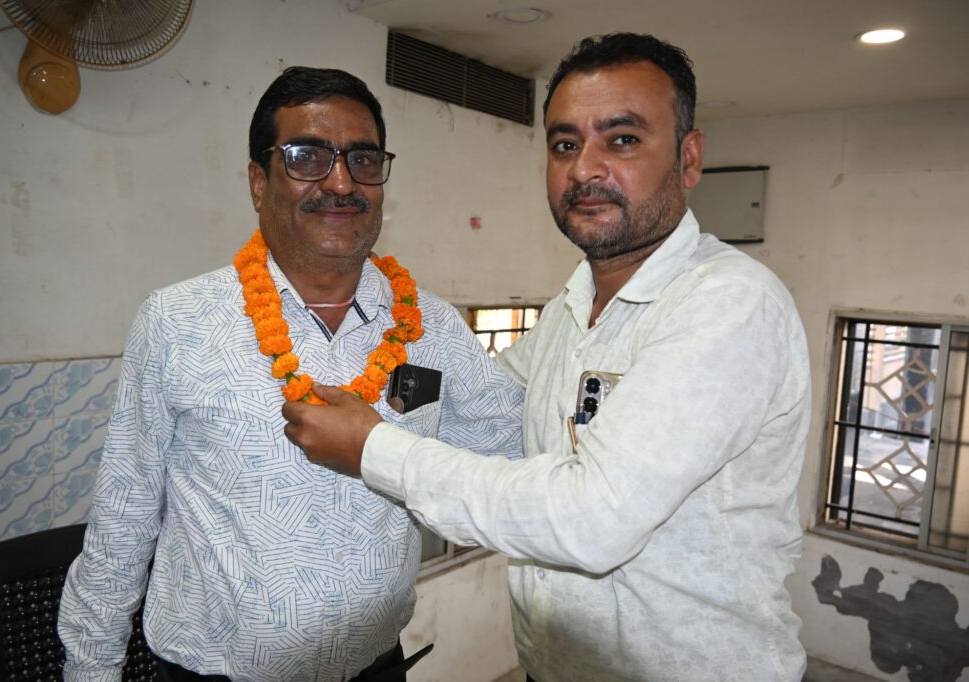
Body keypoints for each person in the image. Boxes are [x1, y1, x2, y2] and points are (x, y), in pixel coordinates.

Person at [283, 33, 812, 682]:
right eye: (565, 145)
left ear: (689, 157)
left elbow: (592, 518)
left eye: (622, 139)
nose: (585, 169)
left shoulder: (729, 304)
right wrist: (366, 359)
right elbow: (488, 402)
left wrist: (371, 448)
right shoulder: (573, 307)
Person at [57, 66, 523, 682]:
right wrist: (91, 670)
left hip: (376, 668)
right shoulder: (176, 321)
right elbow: (124, 515)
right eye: (307, 157)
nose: (341, 182)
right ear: (259, 182)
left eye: (362, 159)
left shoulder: (433, 328)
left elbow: (513, 458)